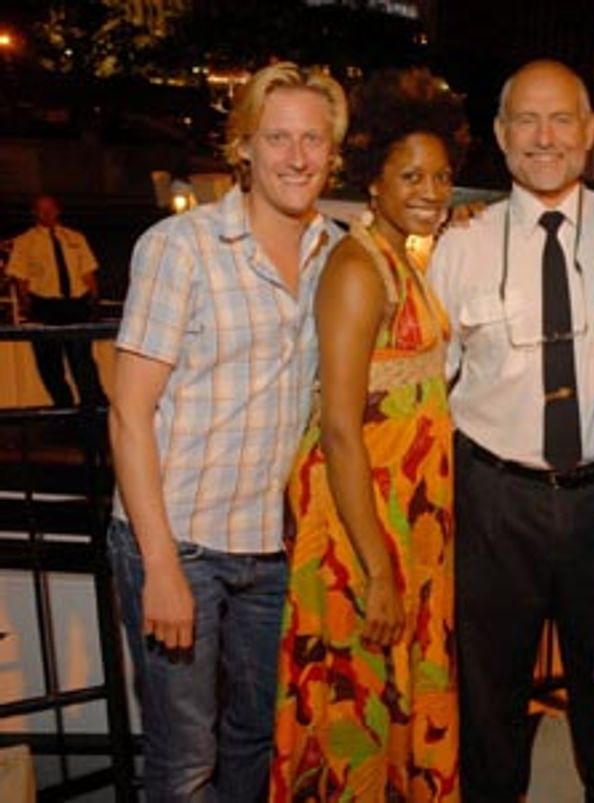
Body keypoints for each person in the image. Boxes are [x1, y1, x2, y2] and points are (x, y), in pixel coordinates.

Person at [107, 63, 347, 801]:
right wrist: (162, 567)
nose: (297, 156)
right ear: (242, 147)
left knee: (255, 742)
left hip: (272, 549)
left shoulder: (336, 252)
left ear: (335, 153)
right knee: (185, 763)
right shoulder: (180, 247)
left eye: (314, 139)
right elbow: (129, 411)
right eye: (277, 137)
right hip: (179, 538)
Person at [428, 59, 594, 803]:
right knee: (489, 693)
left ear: (591, 131)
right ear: (502, 138)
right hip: (493, 498)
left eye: (563, 118)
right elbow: (428, 381)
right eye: (527, 121)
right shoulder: (460, 245)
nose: (546, 138)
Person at [270, 68, 464, 802]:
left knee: (390, 704)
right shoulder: (357, 267)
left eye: (442, 176)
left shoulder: (402, 259)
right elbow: (343, 431)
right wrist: (380, 568)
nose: (430, 189)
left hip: (405, 521)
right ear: (374, 182)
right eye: (410, 173)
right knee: (354, 703)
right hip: (362, 525)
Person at [6, 193, 107, 406]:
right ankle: (63, 408)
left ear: (58, 210)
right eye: (41, 210)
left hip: (76, 304)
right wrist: (26, 305)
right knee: (50, 363)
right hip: (45, 305)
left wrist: (94, 298)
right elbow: (20, 277)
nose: (47, 214)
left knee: (82, 359)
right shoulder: (25, 242)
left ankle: (94, 407)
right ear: (34, 213)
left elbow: (88, 271)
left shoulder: (75, 238)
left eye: (50, 209)